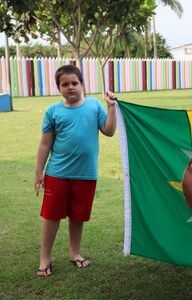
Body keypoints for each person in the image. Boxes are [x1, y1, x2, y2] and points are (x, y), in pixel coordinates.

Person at [34, 64, 117, 277]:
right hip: (57, 174)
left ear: (82, 84)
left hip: (86, 174)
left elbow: (108, 131)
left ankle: (75, 253)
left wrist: (111, 108)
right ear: (58, 87)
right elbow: (45, 144)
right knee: (52, 216)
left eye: (74, 83)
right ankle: (45, 258)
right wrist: (38, 172)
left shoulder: (94, 106)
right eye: (65, 84)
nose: (70, 87)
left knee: (78, 216)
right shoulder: (53, 111)